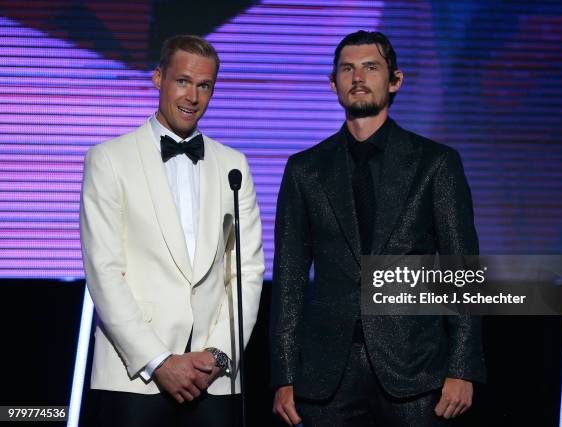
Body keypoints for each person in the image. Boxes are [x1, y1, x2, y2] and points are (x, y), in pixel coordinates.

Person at [270, 30, 485, 426]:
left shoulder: (435, 163)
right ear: (333, 83)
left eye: (371, 67)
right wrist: (283, 376)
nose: (358, 78)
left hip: (415, 369)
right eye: (347, 69)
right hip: (326, 373)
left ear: (395, 80)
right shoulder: (305, 169)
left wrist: (462, 367)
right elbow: (290, 279)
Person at [80, 34, 264, 427]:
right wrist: (159, 360)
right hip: (134, 378)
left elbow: (246, 274)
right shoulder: (109, 159)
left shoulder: (234, 165)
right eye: (182, 81)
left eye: (204, 86)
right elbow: (104, 271)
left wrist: (218, 355)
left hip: (212, 379)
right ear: (158, 78)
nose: (193, 96)